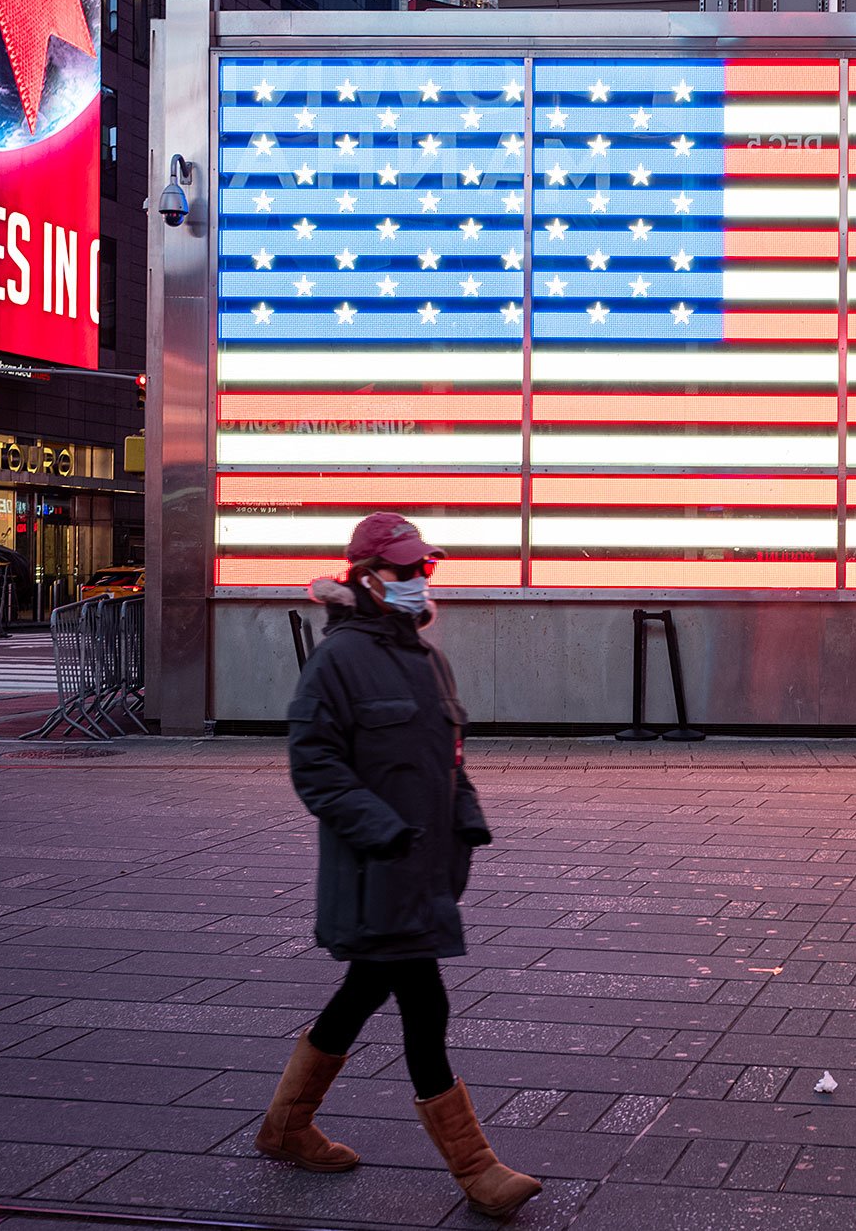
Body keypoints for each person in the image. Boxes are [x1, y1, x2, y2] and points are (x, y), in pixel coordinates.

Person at [255, 512, 541, 1221]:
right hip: (373, 872)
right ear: (367, 576)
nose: (419, 581)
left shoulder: (425, 659)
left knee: (359, 997)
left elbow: (448, 758)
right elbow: (313, 764)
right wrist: (380, 829)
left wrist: (465, 815)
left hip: (424, 873)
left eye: (425, 569)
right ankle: (476, 1170)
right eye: (406, 570)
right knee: (426, 1004)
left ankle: (286, 1126)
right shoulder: (337, 661)